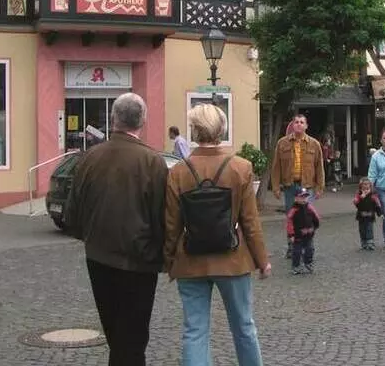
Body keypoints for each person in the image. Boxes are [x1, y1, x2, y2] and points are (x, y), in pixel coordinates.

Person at [163, 103, 270, 366]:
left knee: (195, 331)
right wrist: (262, 260)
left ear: (194, 130)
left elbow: (171, 223)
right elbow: (250, 222)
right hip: (232, 260)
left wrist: (169, 261)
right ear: (222, 129)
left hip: (190, 260)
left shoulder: (178, 171)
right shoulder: (240, 168)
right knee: (244, 327)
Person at [65, 93, 167, 366]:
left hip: (98, 256)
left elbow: (72, 212)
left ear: (113, 120)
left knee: (115, 333)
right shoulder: (152, 161)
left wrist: (87, 235)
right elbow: (161, 215)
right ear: (143, 121)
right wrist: (165, 255)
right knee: (133, 337)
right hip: (139, 260)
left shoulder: (90, 157)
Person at [271, 114, 325, 258]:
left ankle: (307, 244)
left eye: (302, 122)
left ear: (306, 126)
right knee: (292, 217)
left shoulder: (314, 144)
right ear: (292, 125)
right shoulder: (282, 143)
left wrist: (320, 187)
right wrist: (275, 187)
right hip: (290, 186)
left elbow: (319, 167)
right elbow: (276, 167)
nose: (299, 124)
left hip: (307, 186)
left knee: (306, 217)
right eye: (296, 122)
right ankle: (292, 246)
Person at [285, 186, 320, 274]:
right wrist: (291, 235)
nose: (303, 199)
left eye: (305, 197)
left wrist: (314, 227)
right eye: (301, 197)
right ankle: (296, 266)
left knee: (310, 249)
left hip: (308, 234)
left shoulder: (309, 207)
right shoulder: (293, 210)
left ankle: (308, 263)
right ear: (296, 198)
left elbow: (316, 217)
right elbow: (289, 223)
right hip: (297, 235)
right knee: (297, 251)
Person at [354, 178, 383, 250]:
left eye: (367, 184)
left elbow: (377, 204)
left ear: (370, 186)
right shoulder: (359, 194)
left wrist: (380, 213)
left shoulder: (373, 195)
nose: (366, 186)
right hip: (361, 215)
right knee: (362, 229)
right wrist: (360, 198)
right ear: (361, 186)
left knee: (369, 229)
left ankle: (370, 243)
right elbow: (356, 203)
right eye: (364, 184)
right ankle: (363, 242)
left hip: (370, 215)